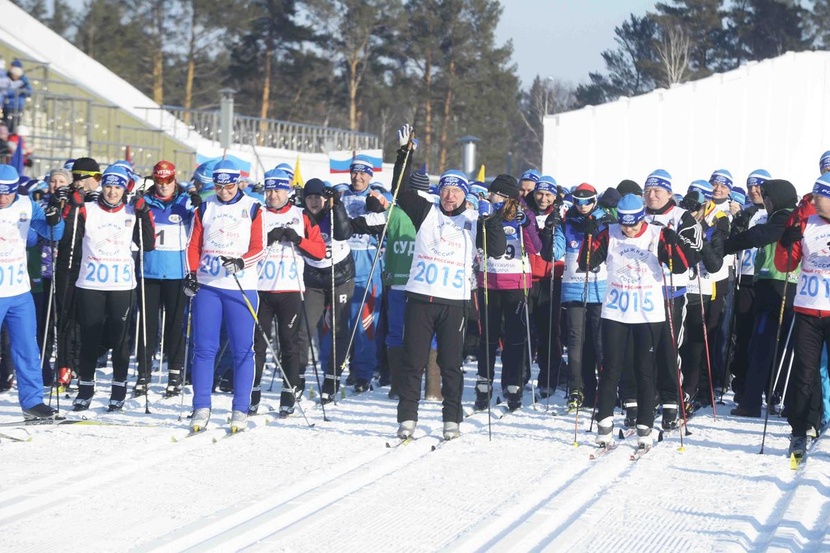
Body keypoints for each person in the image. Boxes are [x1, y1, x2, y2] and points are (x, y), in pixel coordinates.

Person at [393, 124, 506, 439]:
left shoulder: (473, 220)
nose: (449, 195)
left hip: (454, 303)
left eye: (456, 190)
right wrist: (404, 154)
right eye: (445, 189)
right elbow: (399, 190)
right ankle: (407, 418)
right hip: (420, 299)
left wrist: (493, 217)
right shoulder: (426, 212)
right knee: (413, 361)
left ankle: (451, 419)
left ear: (465, 194)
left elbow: (495, 250)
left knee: (451, 364)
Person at [579, 194, 692, 449]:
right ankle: (604, 422)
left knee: (644, 369)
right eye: (624, 225)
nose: (628, 230)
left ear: (641, 218)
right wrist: (588, 238)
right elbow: (586, 264)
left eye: (632, 225)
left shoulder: (656, 233)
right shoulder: (609, 234)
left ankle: (645, 426)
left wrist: (674, 245)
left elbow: (680, 267)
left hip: (648, 314)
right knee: (610, 368)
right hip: (616, 312)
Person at [184, 159, 264, 431]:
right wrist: (192, 274)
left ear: (239, 183)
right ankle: (201, 406)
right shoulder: (205, 207)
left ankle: (240, 408)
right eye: (219, 186)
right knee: (204, 349)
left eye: (229, 185)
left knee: (243, 349)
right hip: (209, 286)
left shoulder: (252, 207)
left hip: (240, 287)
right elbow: (193, 245)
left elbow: (259, 247)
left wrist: (241, 262)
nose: (224, 191)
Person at [69, 165, 155, 411]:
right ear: (102, 186)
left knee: (120, 339)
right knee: (89, 336)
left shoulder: (131, 211)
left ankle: (118, 389)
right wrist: (70, 208)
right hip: (90, 283)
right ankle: (85, 389)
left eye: (117, 187)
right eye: (108, 186)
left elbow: (147, 245)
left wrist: (145, 212)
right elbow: (69, 239)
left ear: (124, 188)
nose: (112, 192)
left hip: (122, 285)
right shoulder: (88, 210)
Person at [252, 168, 326, 416]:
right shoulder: (256, 213)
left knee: (289, 343)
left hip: (290, 289)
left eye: (278, 190)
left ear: (288, 191)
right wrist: (267, 239)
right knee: (257, 345)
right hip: (261, 288)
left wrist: (298, 240)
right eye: (269, 190)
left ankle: (288, 391)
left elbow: (319, 251)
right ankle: (252, 391)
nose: (273, 195)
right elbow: (243, 246)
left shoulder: (302, 216)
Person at [726, 179, 798, 417]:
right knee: (776, 345)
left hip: (778, 287)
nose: (764, 202)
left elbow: (759, 236)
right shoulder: (787, 215)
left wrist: (729, 244)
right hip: (777, 286)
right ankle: (777, 398)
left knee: (762, 345)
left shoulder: (784, 216)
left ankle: (753, 402)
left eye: (767, 197)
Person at [0, 164, 64, 419]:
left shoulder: (27, 205)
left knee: (27, 348)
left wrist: (54, 220)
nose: (1, 198)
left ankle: (32, 402)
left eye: (7, 192)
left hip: (19, 291)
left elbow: (52, 234)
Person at [475, 173, 541, 412]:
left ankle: (513, 385)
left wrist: (528, 225)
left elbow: (537, 248)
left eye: (493, 192)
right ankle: (484, 385)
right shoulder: (485, 212)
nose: (489, 195)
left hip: (516, 284)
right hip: (489, 283)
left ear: (503, 196)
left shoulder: (524, 214)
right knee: (488, 337)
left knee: (514, 338)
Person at [642, 169, 703, 428]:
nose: (652, 195)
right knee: (644, 348)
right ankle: (649, 396)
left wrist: (672, 241)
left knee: (669, 347)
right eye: (648, 191)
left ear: (669, 192)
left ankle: (673, 398)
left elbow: (694, 253)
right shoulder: (638, 215)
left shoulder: (682, 217)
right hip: (641, 290)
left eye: (657, 191)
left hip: (672, 291)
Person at [775, 173, 830, 458]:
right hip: (808, 309)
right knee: (804, 374)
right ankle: (800, 430)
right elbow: (785, 265)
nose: (815, 201)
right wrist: (786, 242)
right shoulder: (805, 223)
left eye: (820, 196)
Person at [135, 160, 200, 398]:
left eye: (168, 181)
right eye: (159, 181)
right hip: (149, 272)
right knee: (148, 326)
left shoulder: (185, 202)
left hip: (176, 273)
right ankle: (143, 373)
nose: (163, 186)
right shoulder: (145, 202)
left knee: (175, 326)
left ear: (175, 179)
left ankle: (175, 373)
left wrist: (197, 206)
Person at [550, 183, 612, 410]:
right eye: (578, 201)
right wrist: (551, 229)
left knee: (598, 341)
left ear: (595, 200)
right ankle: (577, 389)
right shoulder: (567, 222)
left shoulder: (605, 221)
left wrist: (594, 231)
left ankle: (605, 390)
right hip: (574, 288)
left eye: (587, 201)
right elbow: (555, 252)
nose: (583, 206)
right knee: (576, 340)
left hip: (599, 289)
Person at [296, 178, 355, 405]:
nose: (313, 202)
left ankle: (332, 379)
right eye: (309, 198)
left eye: (317, 198)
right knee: (304, 328)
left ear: (325, 199)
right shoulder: (301, 216)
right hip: (314, 278)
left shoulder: (333, 212)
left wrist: (337, 205)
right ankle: (297, 377)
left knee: (338, 329)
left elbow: (343, 233)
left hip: (340, 276)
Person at [340, 155, 391, 392]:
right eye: (354, 172)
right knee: (342, 322)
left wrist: (380, 208)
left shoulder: (379, 195)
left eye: (363, 173)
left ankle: (363, 373)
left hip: (368, 262)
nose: (358, 177)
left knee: (365, 323)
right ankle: (346, 368)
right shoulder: (340, 194)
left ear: (370, 175)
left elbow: (391, 223)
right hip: (341, 261)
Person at [53, 157, 102, 390]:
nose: (79, 183)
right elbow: (54, 228)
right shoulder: (66, 198)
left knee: (88, 320)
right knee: (65, 318)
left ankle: (84, 366)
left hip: (94, 266)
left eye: (84, 178)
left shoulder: (104, 198)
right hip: (68, 263)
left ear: (96, 178)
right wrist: (62, 204)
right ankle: (64, 367)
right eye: (76, 177)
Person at [727, 170, 771, 401]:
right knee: (744, 334)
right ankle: (741, 385)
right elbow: (733, 243)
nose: (754, 190)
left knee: (765, 334)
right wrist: (738, 222)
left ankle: (768, 387)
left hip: (767, 278)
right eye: (750, 186)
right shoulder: (747, 212)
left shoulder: (776, 212)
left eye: (759, 186)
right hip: (745, 277)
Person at [2, 60, 31, 133]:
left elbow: (29, 92)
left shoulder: (24, 81)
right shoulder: (6, 77)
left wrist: (22, 89)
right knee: (6, 125)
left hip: (18, 106)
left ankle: (11, 141)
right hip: (8, 106)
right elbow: (5, 91)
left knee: (15, 126)